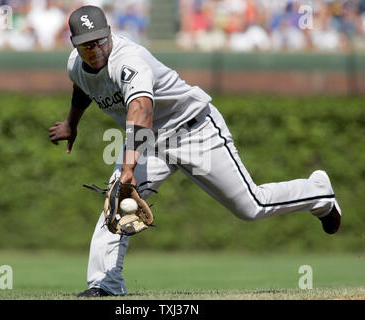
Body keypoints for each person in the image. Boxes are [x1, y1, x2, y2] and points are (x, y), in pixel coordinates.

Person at [49, 5, 342, 297]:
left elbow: (141, 111)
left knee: (251, 206)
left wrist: (128, 171)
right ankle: (105, 286)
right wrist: (71, 123)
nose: (95, 49)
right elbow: (84, 86)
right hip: (151, 144)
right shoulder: (75, 64)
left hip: (193, 131)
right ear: (75, 45)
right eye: (87, 45)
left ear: (110, 34)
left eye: (100, 41)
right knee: (116, 205)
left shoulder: (128, 61)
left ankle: (320, 193)